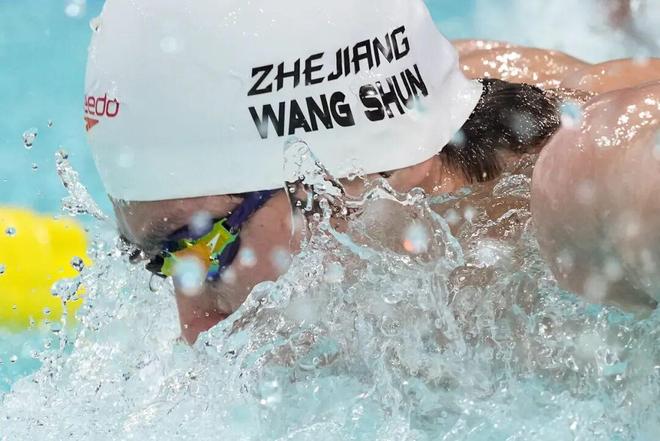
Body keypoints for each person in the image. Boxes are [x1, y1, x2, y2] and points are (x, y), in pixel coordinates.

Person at [85, 0, 660, 343]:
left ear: (341, 181)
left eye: (198, 246)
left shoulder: (597, 184)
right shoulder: (414, 111)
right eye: (159, 263)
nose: (194, 328)